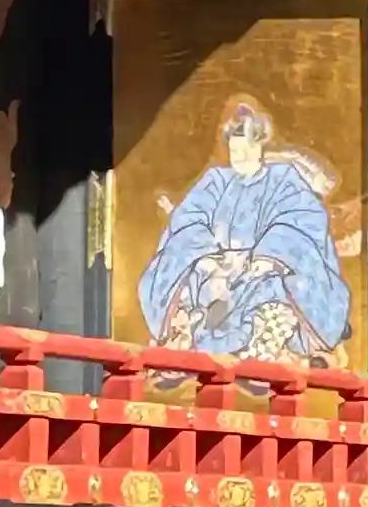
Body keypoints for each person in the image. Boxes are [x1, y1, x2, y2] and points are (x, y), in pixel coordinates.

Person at [139, 101, 351, 363]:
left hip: (262, 269)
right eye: (234, 149)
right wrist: (207, 258)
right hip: (215, 267)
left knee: (274, 288)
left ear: (260, 145)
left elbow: (301, 221)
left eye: (245, 148)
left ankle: (261, 350)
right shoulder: (216, 181)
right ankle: (187, 338)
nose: (238, 156)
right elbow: (189, 219)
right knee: (184, 273)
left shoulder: (284, 179)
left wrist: (267, 257)